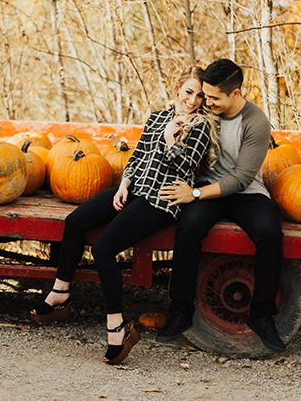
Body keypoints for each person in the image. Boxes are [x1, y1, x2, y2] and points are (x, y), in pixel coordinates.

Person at [30, 66, 219, 365]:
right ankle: (61, 292)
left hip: (161, 199)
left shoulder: (201, 127)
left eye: (199, 96)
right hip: (134, 190)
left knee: (104, 249)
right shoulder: (158, 116)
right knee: (75, 222)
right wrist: (124, 184)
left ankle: (118, 327)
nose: (193, 100)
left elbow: (185, 170)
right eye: (188, 92)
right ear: (177, 88)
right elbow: (138, 156)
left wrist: (171, 139)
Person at [157, 58, 286, 353]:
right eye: (205, 95)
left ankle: (261, 315)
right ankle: (180, 312)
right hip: (204, 187)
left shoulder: (255, 121)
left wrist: (196, 195)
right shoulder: (203, 110)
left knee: (270, 235)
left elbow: (241, 178)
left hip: (244, 193)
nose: (207, 102)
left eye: (214, 98)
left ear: (236, 94)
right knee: (187, 229)